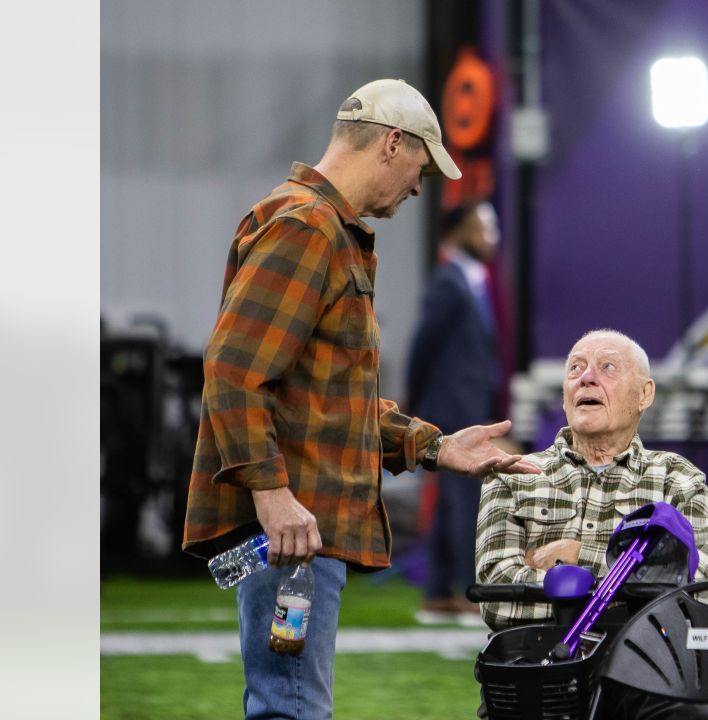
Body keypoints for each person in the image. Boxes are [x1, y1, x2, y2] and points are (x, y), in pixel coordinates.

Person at [181, 78, 539, 720]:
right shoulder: (308, 227)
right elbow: (233, 371)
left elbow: (324, 398)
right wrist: (273, 496)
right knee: (291, 708)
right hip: (294, 532)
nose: (418, 188)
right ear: (393, 144)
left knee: (288, 705)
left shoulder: (312, 224)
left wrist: (433, 445)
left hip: (298, 527)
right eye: (421, 168)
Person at [475, 328, 708, 719]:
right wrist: (633, 580)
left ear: (645, 394)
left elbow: (696, 591)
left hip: (649, 672)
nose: (586, 377)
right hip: (539, 673)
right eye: (575, 368)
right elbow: (498, 596)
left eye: (607, 367)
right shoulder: (514, 475)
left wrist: (578, 557)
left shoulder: (679, 480)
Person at [407, 200, 504, 624]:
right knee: (465, 500)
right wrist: (412, 401)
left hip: (468, 405)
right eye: (484, 227)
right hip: (449, 408)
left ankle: (437, 592)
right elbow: (423, 346)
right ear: (463, 231)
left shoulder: (474, 280)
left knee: (452, 502)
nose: (491, 237)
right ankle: (467, 590)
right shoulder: (450, 282)